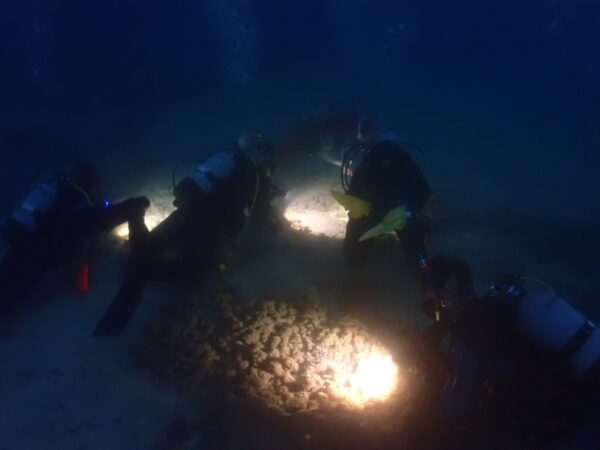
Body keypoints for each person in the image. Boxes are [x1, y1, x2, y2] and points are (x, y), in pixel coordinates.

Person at [93, 142, 281, 336]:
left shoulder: (232, 163)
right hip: (207, 224)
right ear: (265, 162)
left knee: (147, 248)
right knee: (192, 274)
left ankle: (135, 213)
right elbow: (254, 214)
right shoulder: (254, 176)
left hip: (188, 210)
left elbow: (222, 193)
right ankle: (143, 270)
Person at [428, 257, 600, 447]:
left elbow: (457, 406)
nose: (439, 311)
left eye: (436, 301)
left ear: (450, 285)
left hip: (576, 409)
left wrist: (437, 385)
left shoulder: (472, 326)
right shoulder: (508, 302)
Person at [0, 164, 149, 313]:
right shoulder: (75, 197)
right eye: (95, 187)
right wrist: (130, 207)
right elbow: (95, 220)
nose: (96, 192)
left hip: (23, 239)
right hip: (41, 248)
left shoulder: (58, 191)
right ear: (89, 183)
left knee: (11, 270)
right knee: (14, 286)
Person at [335, 133, 431, 274]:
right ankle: (423, 267)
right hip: (401, 212)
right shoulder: (404, 159)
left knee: (353, 258)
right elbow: (423, 191)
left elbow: (352, 192)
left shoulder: (368, 160)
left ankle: (354, 263)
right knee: (417, 252)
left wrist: (358, 215)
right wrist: (411, 211)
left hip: (371, 212)